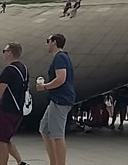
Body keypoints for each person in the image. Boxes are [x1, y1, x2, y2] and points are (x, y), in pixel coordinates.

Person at [36, 34, 75, 165]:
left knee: (57, 135)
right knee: (44, 128)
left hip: (60, 99)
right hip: (57, 99)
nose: (46, 44)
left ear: (54, 42)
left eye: (48, 41)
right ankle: (54, 162)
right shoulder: (61, 57)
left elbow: (60, 78)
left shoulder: (60, 57)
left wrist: (45, 86)